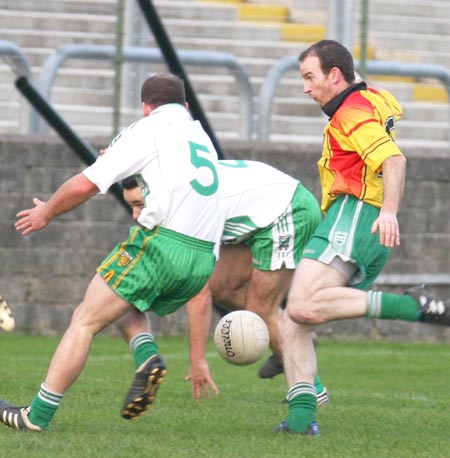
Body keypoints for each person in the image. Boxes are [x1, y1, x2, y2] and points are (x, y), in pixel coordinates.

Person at [0, 73, 221, 431]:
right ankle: (147, 356)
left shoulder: (147, 128)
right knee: (120, 301)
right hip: (205, 257)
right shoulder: (200, 136)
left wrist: (46, 212)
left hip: (165, 244)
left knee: (85, 319)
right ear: (185, 106)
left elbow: (86, 184)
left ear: (146, 107)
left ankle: (35, 416)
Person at [276, 40, 450, 436]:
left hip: (355, 214)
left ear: (335, 75)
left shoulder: (350, 114)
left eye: (310, 77)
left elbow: (393, 158)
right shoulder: (371, 97)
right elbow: (380, 102)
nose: (306, 88)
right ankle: (302, 420)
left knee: (300, 307)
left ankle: (413, 306)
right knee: (294, 319)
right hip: (355, 218)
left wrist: (388, 210)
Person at [115, 163, 329, 405]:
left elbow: (199, 293)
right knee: (222, 288)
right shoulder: (176, 193)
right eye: (131, 206)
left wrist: (197, 361)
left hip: (290, 210)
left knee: (260, 312)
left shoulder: (188, 210)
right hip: (265, 214)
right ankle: (290, 342)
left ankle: (312, 389)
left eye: (139, 205)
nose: (135, 216)